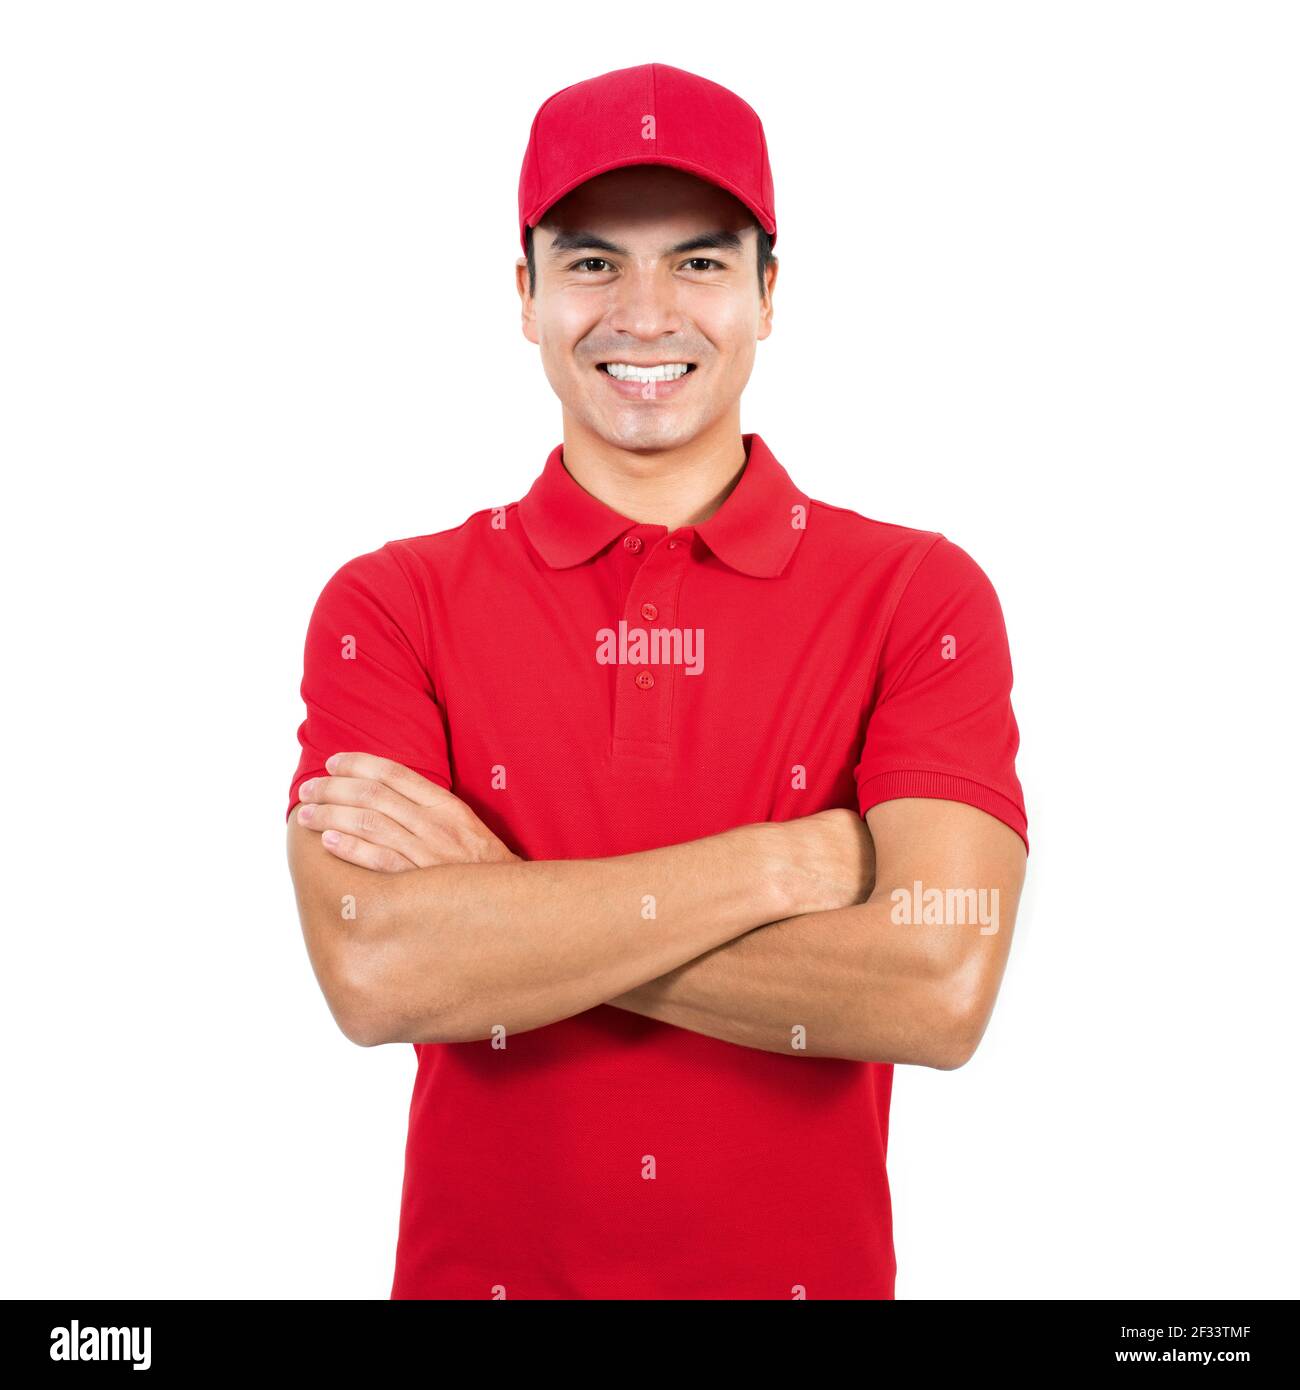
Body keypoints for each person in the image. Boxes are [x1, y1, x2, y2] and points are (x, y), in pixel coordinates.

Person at [285, 62, 1029, 1300]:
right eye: (590, 263)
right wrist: (780, 867)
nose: (643, 314)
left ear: (768, 293)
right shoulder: (388, 604)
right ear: (523, 296)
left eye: (697, 261)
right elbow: (377, 971)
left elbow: (939, 981)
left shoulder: (921, 596)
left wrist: (506, 913)